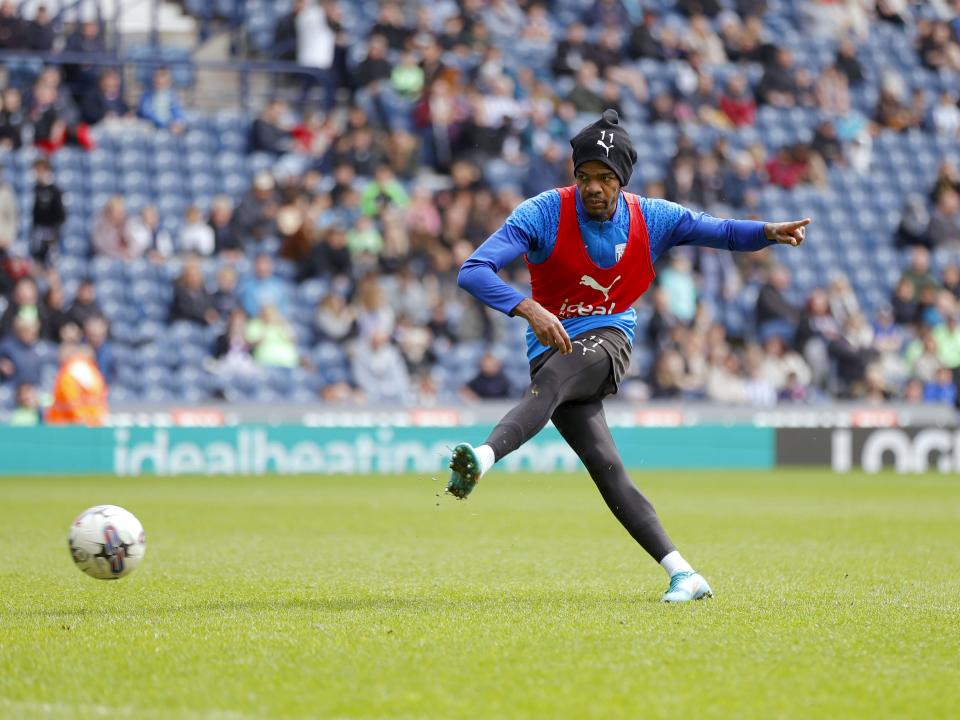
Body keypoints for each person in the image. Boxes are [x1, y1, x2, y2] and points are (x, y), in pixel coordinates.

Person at [449, 109, 810, 602]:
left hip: (607, 340)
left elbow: (720, 231)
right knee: (607, 467)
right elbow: (473, 270)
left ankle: (484, 457)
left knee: (553, 383)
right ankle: (684, 573)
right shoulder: (542, 212)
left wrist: (767, 231)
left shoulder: (651, 217)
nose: (592, 187)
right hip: (550, 350)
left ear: (622, 181)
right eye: (583, 177)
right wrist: (527, 308)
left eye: (604, 178)